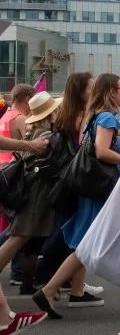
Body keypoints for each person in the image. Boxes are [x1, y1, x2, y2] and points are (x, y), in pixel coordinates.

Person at [32, 73, 120, 318]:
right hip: (102, 192)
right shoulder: (107, 117)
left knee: (88, 246)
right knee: (114, 244)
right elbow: (102, 152)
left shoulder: (94, 116)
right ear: (110, 91)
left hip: (92, 190)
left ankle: (49, 290)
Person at [0, 78, 85, 297]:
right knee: (19, 235)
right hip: (36, 193)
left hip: (31, 190)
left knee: (29, 240)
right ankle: (28, 281)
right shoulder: (45, 136)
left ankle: (28, 283)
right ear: (49, 114)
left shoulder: (32, 130)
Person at [0, 84, 35, 166]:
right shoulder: (21, 119)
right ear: (28, 99)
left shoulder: (3, 117)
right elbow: (31, 149)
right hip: (12, 170)